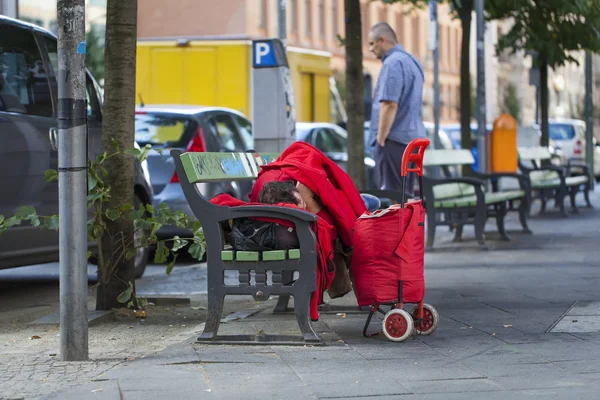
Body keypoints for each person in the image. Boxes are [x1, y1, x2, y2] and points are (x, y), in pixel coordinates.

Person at [368, 22, 426, 196]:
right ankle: (410, 224)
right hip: (411, 140)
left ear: (383, 40)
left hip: (394, 142)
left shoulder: (393, 63)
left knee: (393, 198)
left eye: (372, 43)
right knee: (405, 196)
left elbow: (389, 104)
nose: (370, 49)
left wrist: (380, 140)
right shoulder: (413, 62)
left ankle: (399, 225)